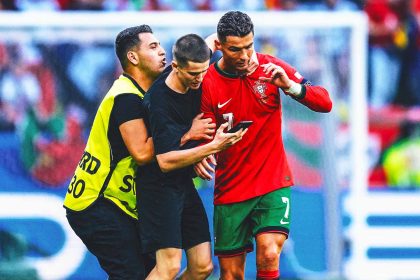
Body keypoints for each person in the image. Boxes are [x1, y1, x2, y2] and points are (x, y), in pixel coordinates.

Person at [195, 11, 333, 280]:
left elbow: (325, 102)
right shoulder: (208, 82)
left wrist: (291, 86)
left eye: (249, 46)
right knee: (232, 274)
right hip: (231, 188)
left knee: (269, 253)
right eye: (236, 49)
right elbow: (205, 131)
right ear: (219, 46)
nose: (245, 55)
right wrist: (202, 149)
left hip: (272, 181)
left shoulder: (270, 67)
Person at [136, 34, 246, 280]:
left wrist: (224, 38)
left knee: (203, 266)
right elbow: (165, 161)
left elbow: (210, 40)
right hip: (158, 189)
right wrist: (212, 147)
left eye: (204, 72)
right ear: (175, 66)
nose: (200, 79)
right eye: (194, 74)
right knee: (169, 267)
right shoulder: (160, 100)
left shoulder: (196, 65)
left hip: (183, 185)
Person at [63, 25, 165, 279]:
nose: (162, 52)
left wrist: (213, 43)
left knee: (153, 270)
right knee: (131, 274)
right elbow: (141, 153)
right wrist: (185, 132)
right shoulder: (126, 98)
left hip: (115, 203)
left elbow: (188, 61)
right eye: (153, 47)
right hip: (96, 202)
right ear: (132, 57)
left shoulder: (140, 92)